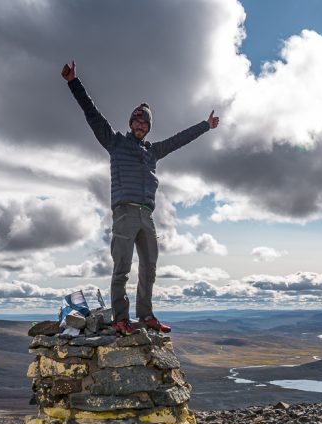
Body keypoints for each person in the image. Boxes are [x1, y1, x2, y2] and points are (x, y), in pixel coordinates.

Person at [61, 60, 219, 335]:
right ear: (130, 123)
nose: (139, 126)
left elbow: (179, 139)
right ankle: (121, 319)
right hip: (124, 213)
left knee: (150, 268)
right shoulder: (115, 142)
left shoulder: (153, 152)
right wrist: (74, 83)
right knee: (122, 267)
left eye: (144, 123)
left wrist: (205, 126)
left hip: (147, 215)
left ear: (148, 127)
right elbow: (92, 114)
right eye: (136, 121)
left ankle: (146, 316)